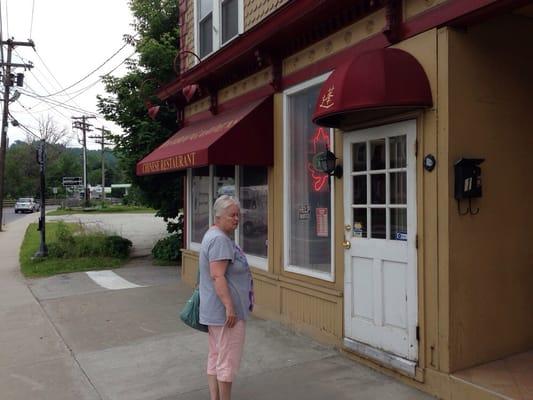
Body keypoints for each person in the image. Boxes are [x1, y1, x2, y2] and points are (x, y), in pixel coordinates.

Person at [199, 195, 254, 400]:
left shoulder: (213, 235)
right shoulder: (220, 240)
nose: (236, 219)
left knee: (216, 356)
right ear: (219, 216)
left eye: (238, 215)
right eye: (232, 215)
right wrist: (230, 307)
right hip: (225, 315)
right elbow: (217, 275)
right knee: (227, 360)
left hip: (215, 312)